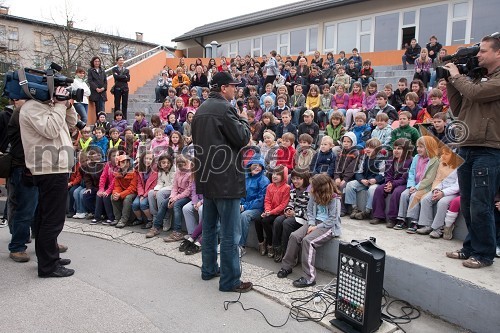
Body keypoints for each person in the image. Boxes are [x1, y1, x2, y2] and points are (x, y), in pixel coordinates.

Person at [191, 71, 253, 293]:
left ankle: (208, 269)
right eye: (233, 86)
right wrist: (244, 119)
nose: (235, 90)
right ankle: (230, 281)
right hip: (226, 181)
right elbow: (242, 137)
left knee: (209, 229)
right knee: (229, 233)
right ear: (224, 87)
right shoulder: (226, 108)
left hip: (207, 180)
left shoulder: (200, 110)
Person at [444, 34, 500, 269]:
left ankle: (485, 253)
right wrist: (450, 80)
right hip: (467, 146)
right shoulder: (477, 79)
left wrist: (458, 77)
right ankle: (469, 248)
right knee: (467, 203)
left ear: (498, 53)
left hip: (489, 149)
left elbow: (476, 94)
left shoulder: (493, 82)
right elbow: (458, 108)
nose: (478, 55)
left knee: (480, 204)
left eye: (483, 51)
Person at [19, 86, 78, 277]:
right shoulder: (32, 108)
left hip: (56, 167)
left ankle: (50, 256)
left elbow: (73, 122)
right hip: (49, 168)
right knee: (52, 219)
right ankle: (48, 266)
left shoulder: (50, 106)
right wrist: (59, 105)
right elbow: (51, 130)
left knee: (48, 216)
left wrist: (67, 105)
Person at [277, 174, 342, 288]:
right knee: (294, 236)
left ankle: (309, 278)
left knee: (308, 241)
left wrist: (316, 227)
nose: (311, 188)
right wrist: (311, 224)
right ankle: (286, 267)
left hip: (328, 226)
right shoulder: (314, 194)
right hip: (313, 223)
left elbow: (332, 219)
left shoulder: (334, 199)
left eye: (314, 185)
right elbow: (310, 211)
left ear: (321, 187)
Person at [6, 99, 38, 262]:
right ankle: (17, 246)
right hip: (23, 168)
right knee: (25, 209)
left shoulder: (27, 110)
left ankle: (44, 242)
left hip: (37, 168)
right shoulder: (21, 112)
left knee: (41, 209)